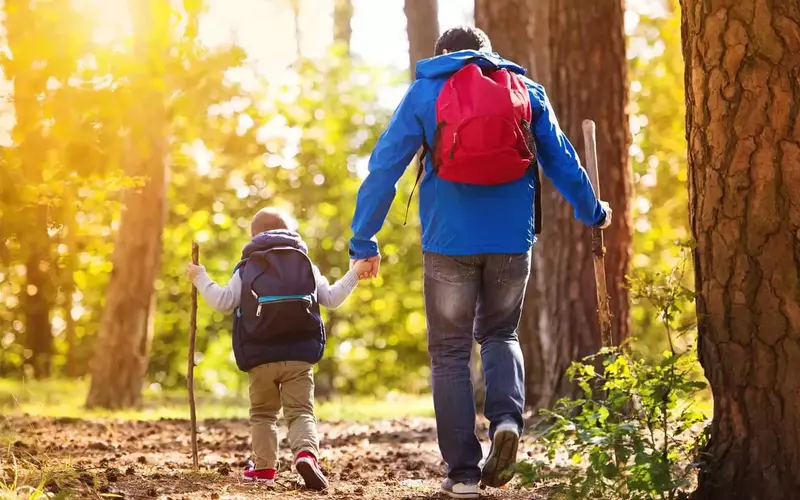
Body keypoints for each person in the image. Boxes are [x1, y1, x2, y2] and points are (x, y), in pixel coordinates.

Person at [348, 25, 612, 499]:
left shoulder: (425, 91)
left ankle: (463, 473)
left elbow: (385, 167)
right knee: (499, 334)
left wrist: (363, 239)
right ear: (487, 54)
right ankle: (508, 421)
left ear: (441, 55)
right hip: (512, 240)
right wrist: (593, 210)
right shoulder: (525, 90)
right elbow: (563, 160)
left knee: (449, 352)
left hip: (448, 242)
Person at [187, 207, 371, 490]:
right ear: (289, 232)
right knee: (301, 412)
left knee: (263, 414)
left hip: (260, 355)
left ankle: (263, 468)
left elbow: (223, 301)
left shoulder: (247, 266)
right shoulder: (305, 263)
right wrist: (355, 274)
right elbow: (332, 299)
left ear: (255, 236)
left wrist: (200, 277)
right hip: (299, 355)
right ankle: (307, 454)